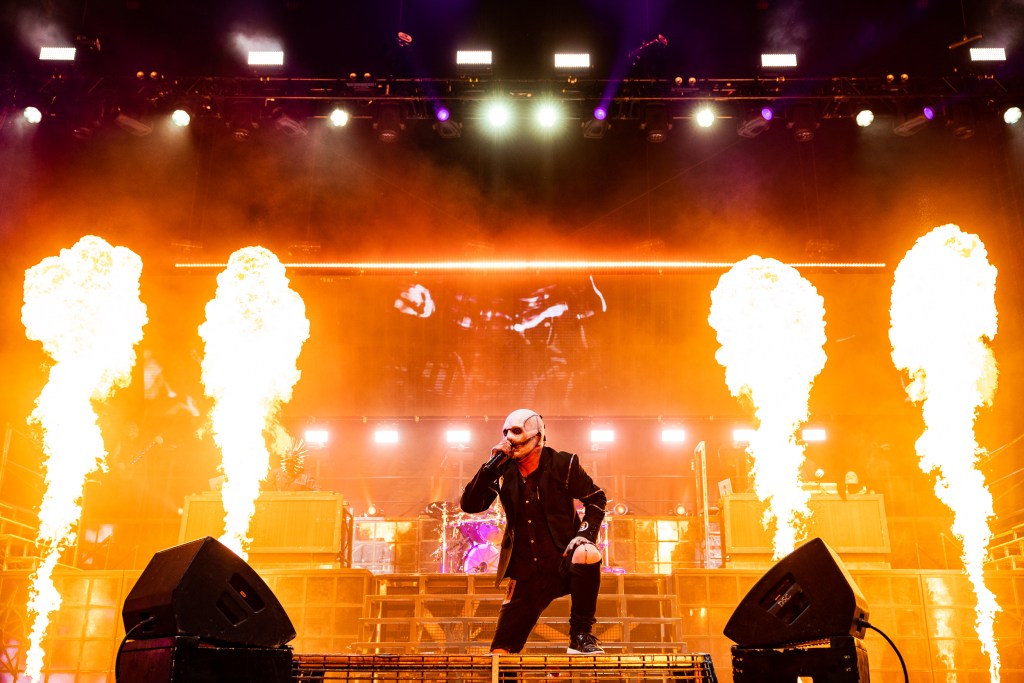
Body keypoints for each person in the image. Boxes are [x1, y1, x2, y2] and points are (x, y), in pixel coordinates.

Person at [460, 409, 607, 655]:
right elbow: (471, 505)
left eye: (516, 431)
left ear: (537, 436)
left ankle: (581, 635)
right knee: (500, 653)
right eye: (506, 432)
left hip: (562, 560)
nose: (510, 438)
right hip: (525, 571)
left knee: (588, 552)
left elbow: (596, 499)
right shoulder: (502, 470)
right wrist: (488, 468)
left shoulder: (563, 463)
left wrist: (584, 535)